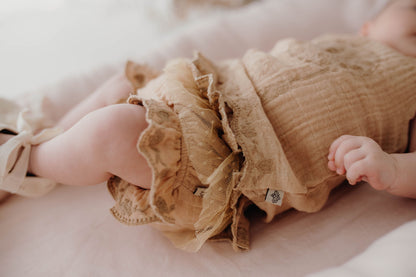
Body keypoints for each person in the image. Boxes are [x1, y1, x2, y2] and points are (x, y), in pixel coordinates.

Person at [1, 0, 415, 251]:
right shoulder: (347, 40)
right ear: (368, 25)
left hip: (230, 167)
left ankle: (24, 162)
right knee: (119, 87)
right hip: (204, 96)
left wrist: (392, 168)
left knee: (110, 132)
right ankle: (40, 146)